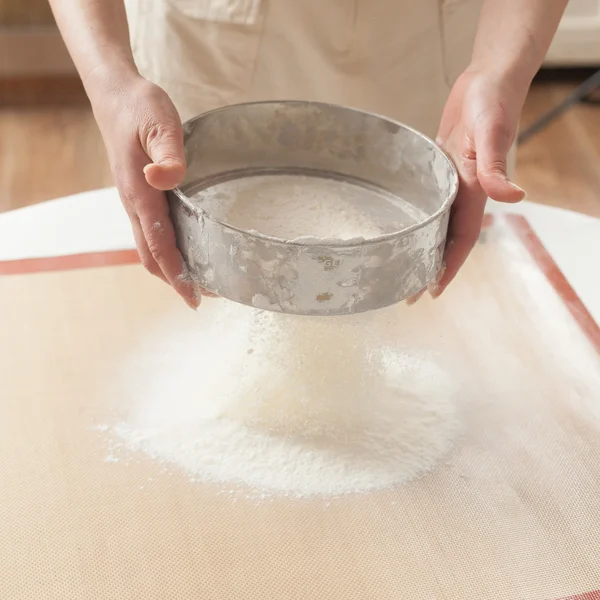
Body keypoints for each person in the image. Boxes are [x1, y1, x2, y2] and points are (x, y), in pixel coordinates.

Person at [49, 0, 568, 309]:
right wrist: (110, 78)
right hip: (213, 33)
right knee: (190, 296)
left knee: (427, 320)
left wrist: (498, 69)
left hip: (425, 42)